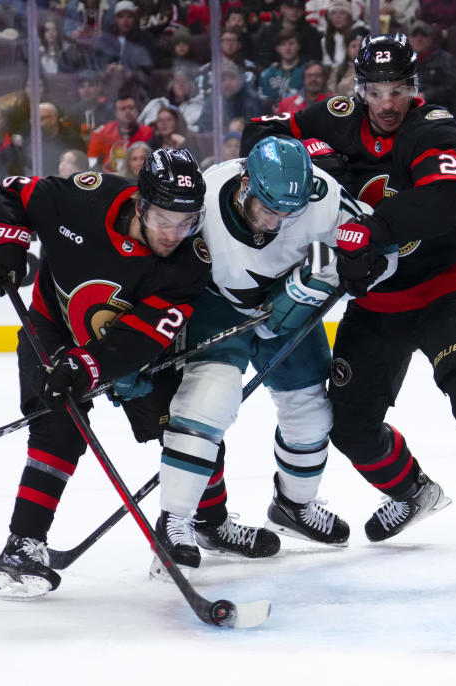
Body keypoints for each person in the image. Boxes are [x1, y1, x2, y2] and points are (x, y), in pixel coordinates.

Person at [240, 33, 456, 561]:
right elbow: (259, 136)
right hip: (376, 304)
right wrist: (312, 157)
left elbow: (445, 201)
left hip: (446, 291)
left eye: (398, 90)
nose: (388, 103)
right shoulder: (338, 115)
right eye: (376, 91)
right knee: (349, 426)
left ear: (413, 89)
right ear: (360, 90)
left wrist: (371, 232)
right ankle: (411, 492)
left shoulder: (431, 125)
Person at [0, 148, 212, 599]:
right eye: (163, 219)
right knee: (57, 429)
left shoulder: (189, 260)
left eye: (187, 221)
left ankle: (205, 521)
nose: (175, 233)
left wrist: (90, 366)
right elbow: (13, 192)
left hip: (129, 352)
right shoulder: (83, 198)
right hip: (51, 327)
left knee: (188, 422)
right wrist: (3, 240)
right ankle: (22, 546)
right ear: (140, 203)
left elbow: (140, 338)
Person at [153, 136, 394, 569]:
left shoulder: (322, 196)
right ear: (246, 185)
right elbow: (166, 260)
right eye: (268, 208)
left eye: (290, 212)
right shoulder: (207, 197)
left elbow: (384, 247)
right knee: (210, 400)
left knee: (313, 411)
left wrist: (366, 263)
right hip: (219, 304)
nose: (277, 221)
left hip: (292, 307)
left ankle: (294, 506)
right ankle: (176, 519)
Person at [87, 92, 153, 173]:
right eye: (123, 109)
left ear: (137, 111)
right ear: (116, 113)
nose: (127, 112)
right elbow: (91, 162)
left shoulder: (149, 133)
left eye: (131, 108)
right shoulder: (102, 133)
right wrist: (100, 169)